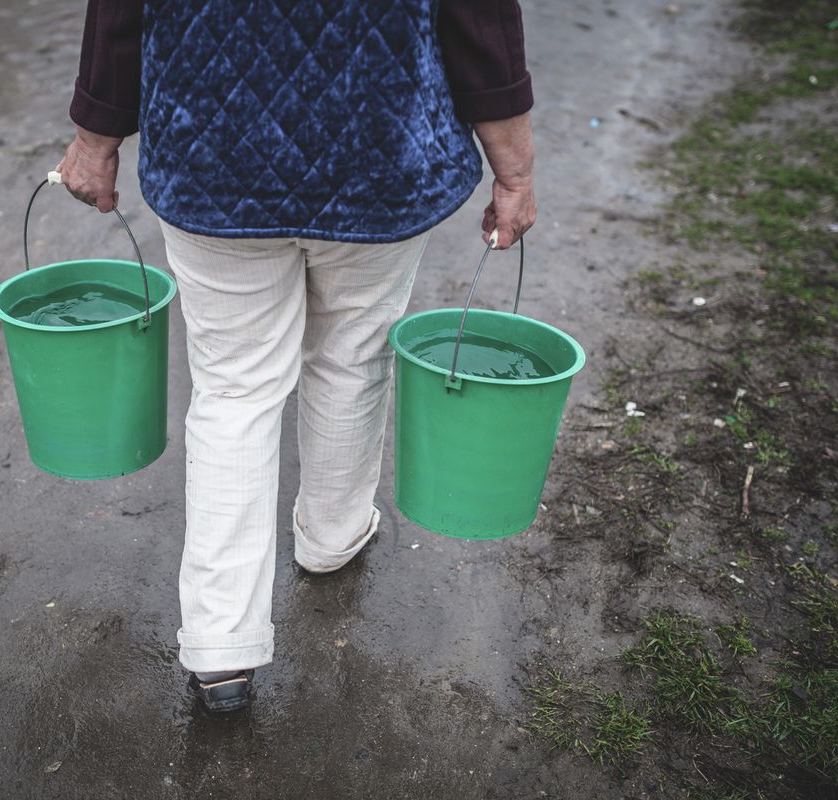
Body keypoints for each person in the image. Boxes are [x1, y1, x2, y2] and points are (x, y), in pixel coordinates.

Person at [57, 0, 536, 713]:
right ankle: (331, 538)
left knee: (233, 389)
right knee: (352, 356)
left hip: (213, 153)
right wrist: (515, 169)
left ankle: (222, 647)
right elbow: (480, 19)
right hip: (381, 149)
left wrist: (96, 139)